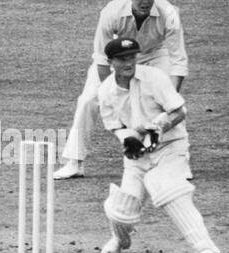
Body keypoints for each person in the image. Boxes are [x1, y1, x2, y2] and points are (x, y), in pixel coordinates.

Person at [97, 37, 220, 253]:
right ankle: (119, 239)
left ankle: (204, 248)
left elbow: (179, 111)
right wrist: (130, 140)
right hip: (137, 156)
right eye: (122, 59)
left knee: (169, 190)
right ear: (111, 62)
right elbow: (115, 126)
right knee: (122, 208)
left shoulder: (154, 78)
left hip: (170, 147)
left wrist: (159, 128)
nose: (128, 63)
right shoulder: (105, 91)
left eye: (132, 57)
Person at [54, 0, 191, 180]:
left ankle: (178, 163)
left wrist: (169, 101)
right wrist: (111, 94)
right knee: (87, 100)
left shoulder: (169, 13)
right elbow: (102, 58)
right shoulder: (111, 12)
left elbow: (178, 60)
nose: (145, 2)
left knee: (170, 105)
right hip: (119, 57)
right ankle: (74, 161)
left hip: (157, 54)